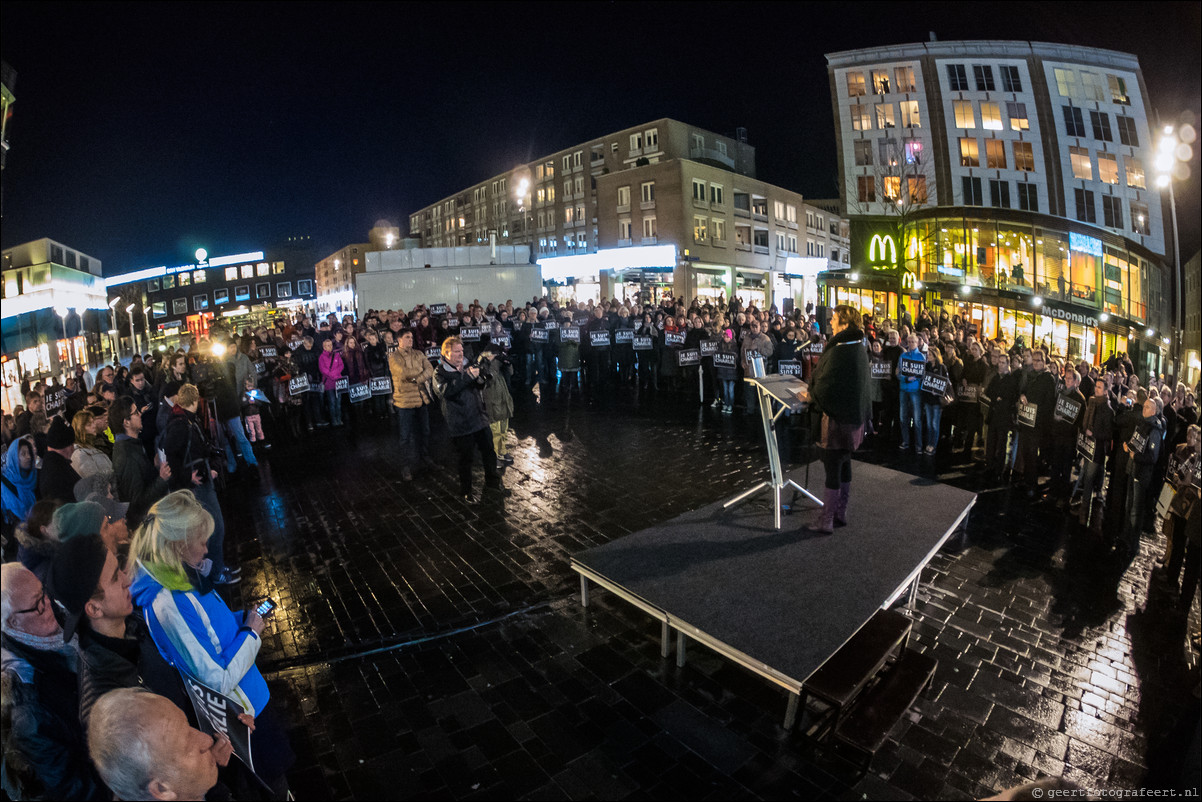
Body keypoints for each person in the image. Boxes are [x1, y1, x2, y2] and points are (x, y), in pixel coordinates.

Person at [130, 490, 292, 794]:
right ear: (178, 546)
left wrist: (243, 618)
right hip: (242, 719)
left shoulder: (180, 578)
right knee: (273, 787)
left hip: (250, 703)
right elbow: (216, 679)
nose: (207, 549)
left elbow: (209, 630)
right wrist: (252, 633)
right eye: (201, 541)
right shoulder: (167, 603)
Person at [43, 533, 187, 733]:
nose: (127, 580)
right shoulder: (103, 704)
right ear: (94, 609)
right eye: (114, 578)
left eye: (119, 567)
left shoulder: (135, 625)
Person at [1, 562, 108, 800]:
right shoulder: (29, 709)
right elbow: (75, 788)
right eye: (37, 604)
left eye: (44, 594)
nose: (48, 605)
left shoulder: (58, 628)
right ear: (12, 623)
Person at [88, 688, 233, 802]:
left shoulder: (181, 786)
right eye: (187, 748)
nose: (207, 739)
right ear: (161, 789)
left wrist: (217, 764)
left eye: (188, 728)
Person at [161, 384, 237, 586]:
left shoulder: (183, 419)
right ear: (195, 401)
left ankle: (217, 566)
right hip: (197, 486)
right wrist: (189, 477)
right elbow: (172, 456)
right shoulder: (180, 424)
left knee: (213, 525)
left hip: (200, 479)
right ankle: (215, 573)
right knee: (214, 526)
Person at [804, 305, 870, 534]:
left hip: (835, 422)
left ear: (845, 324)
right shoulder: (857, 348)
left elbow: (825, 386)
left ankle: (826, 521)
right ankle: (840, 513)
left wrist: (811, 392)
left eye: (834, 319)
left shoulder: (841, 350)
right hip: (852, 420)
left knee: (832, 468)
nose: (830, 322)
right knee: (845, 464)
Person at [433, 337, 508, 501]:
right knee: (465, 458)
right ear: (446, 353)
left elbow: (478, 386)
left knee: (489, 451)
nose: (461, 354)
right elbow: (446, 392)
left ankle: (493, 483)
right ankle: (466, 491)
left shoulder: (467, 365)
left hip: (479, 418)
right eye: (457, 351)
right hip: (460, 422)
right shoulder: (440, 372)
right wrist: (467, 376)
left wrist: (481, 379)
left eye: (461, 351)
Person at [110, 396, 172, 530]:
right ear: (126, 422)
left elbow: (142, 479)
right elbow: (136, 503)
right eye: (136, 412)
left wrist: (154, 468)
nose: (140, 414)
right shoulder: (126, 455)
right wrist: (161, 479)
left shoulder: (132, 445)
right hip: (146, 525)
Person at [388, 329, 436, 482]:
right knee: (405, 436)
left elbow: (430, 369)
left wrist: (416, 379)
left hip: (421, 398)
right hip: (404, 401)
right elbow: (402, 373)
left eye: (412, 337)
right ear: (399, 340)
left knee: (425, 431)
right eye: (407, 337)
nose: (411, 340)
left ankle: (425, 457)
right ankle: (405, 466)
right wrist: (420, 373)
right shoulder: (394, 357)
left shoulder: (419, 354)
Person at [480, 347, 515, 466]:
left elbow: (510, 373)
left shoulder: (499, 363)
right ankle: (494, 455)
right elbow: (489, 379)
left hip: (504, 399)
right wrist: (493, 362)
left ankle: (502, 451)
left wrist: (507, 363)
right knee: (495, 431)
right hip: (492, 400)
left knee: (504, 429)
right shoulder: (482, 363)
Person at [39, 416, 82, 504]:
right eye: (71, 444)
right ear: (65, 446)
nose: (73, 449)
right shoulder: (56, 473)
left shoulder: (55, 464)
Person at [897, 334, 926, 453]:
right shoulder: (903, 356)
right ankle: (906, 441)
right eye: (909, 341)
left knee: (917, 419)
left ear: (918, 342)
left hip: (915, 391)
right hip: (904, 389)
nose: (911, 343)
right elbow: (898, 373)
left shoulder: (921, 357)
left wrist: (915, 379)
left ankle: (918, 445)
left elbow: (923, 375)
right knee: (903, 418)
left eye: (913, 341)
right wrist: (905, 379)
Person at [2, 437, 39, 531]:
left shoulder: (36, 476)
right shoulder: (4, 486)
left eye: (29, 452)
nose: (29, 457)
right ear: (14, 457)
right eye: (23, 454)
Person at [70, 409, 114, 479]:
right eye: (89, 424)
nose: (93, 426)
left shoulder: (91, 448)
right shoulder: (80, 454)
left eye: (93, 422)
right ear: (80, 428)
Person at [318, 337, 345, 427]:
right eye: (327, 345)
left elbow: (341, 366)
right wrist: (333, 375)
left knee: (339, 402)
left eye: (330, 345)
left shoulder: (336, 355)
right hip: (329, 383)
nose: (329, 347)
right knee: (332, 402)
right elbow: (323, 370)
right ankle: (334, 420)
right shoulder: (321, 357)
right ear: (324, 347)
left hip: (338, 382)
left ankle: (339, 418)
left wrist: (334, 373)